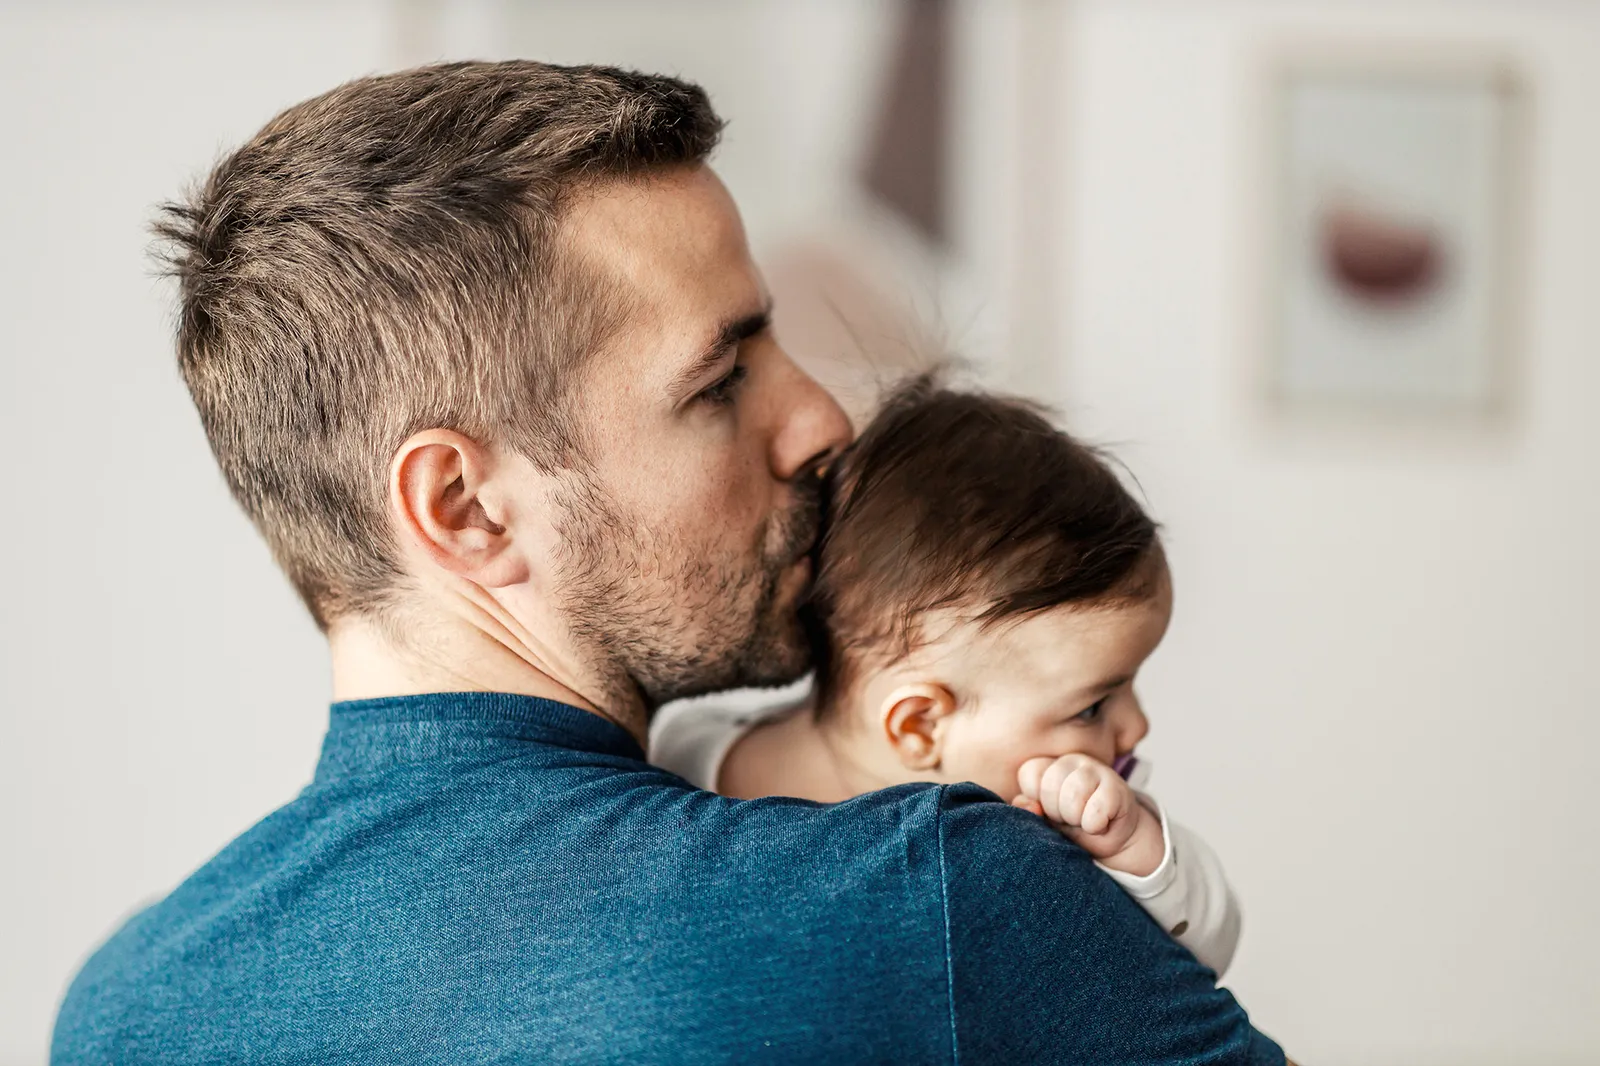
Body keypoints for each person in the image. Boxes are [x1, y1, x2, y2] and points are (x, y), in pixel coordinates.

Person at [51, 61, 1293, 1065]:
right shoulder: (945, 892)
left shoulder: (120, 1012)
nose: (821, 420)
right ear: (465, 506)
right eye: (721, 379)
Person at [653, 376, 1242, 975]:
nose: (1137, 725)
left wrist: (1138, 850)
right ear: (921, 726)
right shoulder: (682, 760)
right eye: (1091, 706)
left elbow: (1205, 955)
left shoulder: (1068, 824)